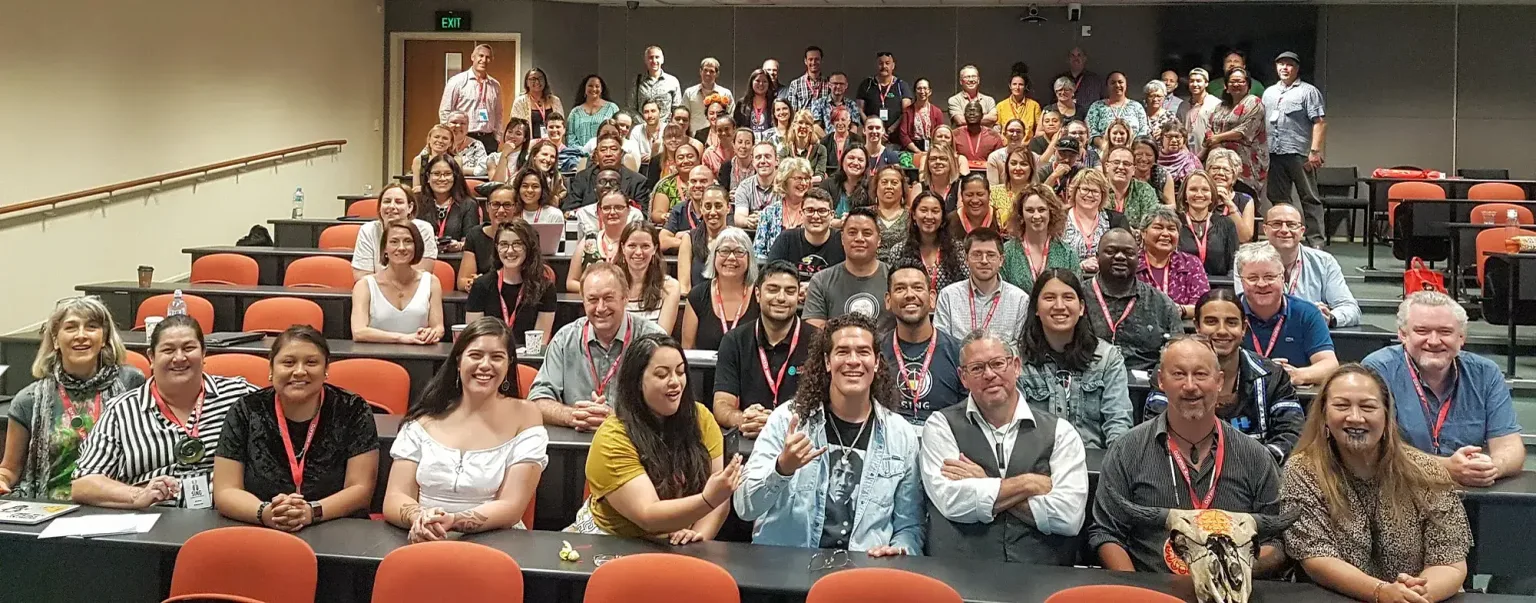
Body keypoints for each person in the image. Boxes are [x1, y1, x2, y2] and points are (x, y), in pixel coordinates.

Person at [1090, 337, 1285, 575]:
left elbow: (1275, 541)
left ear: (1219, 381)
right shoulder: (1127, 450)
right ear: (1161, 380)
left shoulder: (1255, 457)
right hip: (1152, 592)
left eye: (1201, 374)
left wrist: (1233, 572)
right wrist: (1135, 591)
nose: (1190, 385)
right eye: (1179, 374)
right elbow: (1106, 532)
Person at [733, 313, 923, 556]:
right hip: (789, 572)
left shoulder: (901, 435)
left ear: (876, 362)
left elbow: (910, 525)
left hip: (864, 575)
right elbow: (744, 507)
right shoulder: (787, 420)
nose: (853, 361)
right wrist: (782, 469)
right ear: (826, 361)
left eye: (863, 352)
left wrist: (900, 550)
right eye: (842, 352)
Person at [1282, 365, 1471, 603]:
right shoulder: (1302, 470)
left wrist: (1413, 596)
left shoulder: (1428, 472)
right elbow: (1315, 557)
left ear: (1387, 415)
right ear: (1324, 416)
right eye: (1341, 406)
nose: (1355, 417)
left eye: (1368, 407)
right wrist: (1381, 592)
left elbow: (1450, 562)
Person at [921, 330, 1089, 564]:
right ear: (963, 377)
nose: (989, 374)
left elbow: (1068, 517)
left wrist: (982, 482)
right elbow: (952, 502)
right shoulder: (940, 426)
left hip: (1042, 578)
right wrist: (1028, 483)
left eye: (998, 363)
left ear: (1016, 366)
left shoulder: (1062, 432)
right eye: (977, 368)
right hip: (960, 574)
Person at [566, 333, 742, 542]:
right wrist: (707, 500)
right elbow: (648, 515)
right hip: (611, 541)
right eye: (662, 375)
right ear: (637, 381)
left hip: (677, 539)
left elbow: (720, 495)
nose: (675, 382)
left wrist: (696, 537)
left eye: (680, 371)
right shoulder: (613, 437)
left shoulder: (700, 417)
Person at [72, 314, 258, 509]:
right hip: (153, 521)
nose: (179, 358)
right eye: (168, 350)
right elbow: (83, 484)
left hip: (227, 518)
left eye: (188, 348)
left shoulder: (240, 396)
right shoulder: (121, 412)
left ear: (204, 354)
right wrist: (137, 495)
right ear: (151, 357)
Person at [384, 318, 546, 542]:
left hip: (496, 542)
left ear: (509, 364)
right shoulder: (426, 416)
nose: (485, 365)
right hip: (422, 537)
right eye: (476, 355)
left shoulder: (526, 415)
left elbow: (512, 506)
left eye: (496, 357)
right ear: (459, 361)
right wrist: (421, 518)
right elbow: (394, 496)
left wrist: (452, 521)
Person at [214, 326, 379, 529]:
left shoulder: (352, 409)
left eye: (311, 362)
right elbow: (225, 490)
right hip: (260, 528)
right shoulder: (247, 410)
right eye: (288, 363)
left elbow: (360, 489)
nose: (300, 372)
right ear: (271, 369)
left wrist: (310, 512)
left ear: (326, 369)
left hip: (336, 528)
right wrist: (266, 513)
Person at [1363, 291, 1525, 487]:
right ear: (1403, 335)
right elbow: (1372, 449)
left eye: (1445, 332)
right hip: (1395, 489)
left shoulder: (1486, 373)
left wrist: (1491, 467)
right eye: (1422, 331)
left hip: (1467, 494)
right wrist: (1447, 467)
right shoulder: (1377, 371)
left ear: (1461, 337)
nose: (1433, 341)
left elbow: (1510, 446)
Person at [0, 297, 143, 500]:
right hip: (50, 506)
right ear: (56, 340)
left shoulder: (131, 384)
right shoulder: (29, 400)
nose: (81, 335)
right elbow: (9, 470)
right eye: (71, 327)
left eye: (91, 327)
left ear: (104, 338)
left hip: (118, 503)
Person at [1146, 290, 1303, 463]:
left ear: (1243, 328)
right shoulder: (1170, 373)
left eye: (1231, 322)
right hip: (1186, 474)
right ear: (1197, 326)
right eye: (1211, 322)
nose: (1222, 331)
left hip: (1255, 477)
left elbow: (1291, 434)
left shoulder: (1272, 376)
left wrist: (1253, 468)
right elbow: (1156, 433)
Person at [530, 263, 667, 429]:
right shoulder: (564, 340)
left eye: (608, 298)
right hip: (575, 444)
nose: (601, 308)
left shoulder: (653, 340)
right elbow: (537, 401)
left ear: (625, 298)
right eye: (593, 300)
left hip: (635, 445)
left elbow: (668, 403)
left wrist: (618, 419)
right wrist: (573, 415)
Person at [1017, 269, 1133, 448]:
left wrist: (1115, 466)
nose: (1059, 306)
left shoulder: (1107, 358)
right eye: (1049, 298)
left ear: (1081, 308)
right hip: (1036, 465)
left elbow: (1118, 422)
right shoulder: (1016, 360)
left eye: (1068, 298)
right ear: (1036, 309)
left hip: (1093, 465)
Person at [713, 261, 821, 435]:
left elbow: (828, 404)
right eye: (772, 289)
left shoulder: (818, 341)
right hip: (750, 439)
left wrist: (776, 424)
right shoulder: (734, 340)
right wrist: (743, 420)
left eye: (790, 291)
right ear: (757, 294)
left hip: (802, 437)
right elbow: (721, 404)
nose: (781, 297)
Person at [1235, 242, 1338, 386]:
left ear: (1283, 278)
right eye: (1252, 278)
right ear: (1241, 281)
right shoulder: (1228, 312)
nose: (1262, 284)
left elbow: (1329, 365)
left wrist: (1296, 375)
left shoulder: (1307, 313)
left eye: (1270, 276)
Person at [1082, 228, 1183, 371]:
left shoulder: (1161, 303)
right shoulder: (1078, 297)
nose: (1120, 257)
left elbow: (1177, 352)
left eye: (1129, 253)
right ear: (1097, 257)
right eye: (1111, 251)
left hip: (1146, 385)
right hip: (1089, 378)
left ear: (1138, 258)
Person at [1248, 204, 1360, 327]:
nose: (1284, 230)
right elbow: (1246, 305)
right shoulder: (1248, 260)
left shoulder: (1324, 262)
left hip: (1309, 337)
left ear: (1302, 231)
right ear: (1265, 229)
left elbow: (1351, 308)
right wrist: (1307, 312)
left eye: (1291, 225)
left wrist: (1330, 317)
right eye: (1276, 224)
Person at [883, 260, 967, 423]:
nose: (909, 295)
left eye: (918, 287)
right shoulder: (875, 351)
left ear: (932, 297)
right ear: (888, 300)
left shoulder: (959, 352)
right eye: (900, 288)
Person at [1263, 51, 1328, 246]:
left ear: (1297, 68)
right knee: (1278, 197)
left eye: (1289, 64)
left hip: (1299, 154)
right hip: (1274, 153)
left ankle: (1316, 241)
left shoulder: (1308, 91)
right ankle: (1284, 238)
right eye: (1281, 64)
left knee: (1309, 198)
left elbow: (1320, 122)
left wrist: (1315, 151)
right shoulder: (1269, 93)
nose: (1284, 68)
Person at [465, 221, 558, 348]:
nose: (510, 251)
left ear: (529, 247)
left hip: (528, 360)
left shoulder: (545, 288)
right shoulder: (481, 286)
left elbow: (539, 344)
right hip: (491, 358)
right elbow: (475, 338)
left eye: (517, 244)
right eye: (503, 244)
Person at [350, 222, 445, 345]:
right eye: (394, 242)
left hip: (420, 355)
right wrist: (403, 338)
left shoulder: (431, 282)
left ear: (416, 246)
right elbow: (359, 332)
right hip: (376, 358)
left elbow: (438, 328)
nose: (401, 247)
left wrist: (431, 334)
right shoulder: (364, 285)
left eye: (408, 241)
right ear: (384, 248)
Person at [935, 228, 1029, 343]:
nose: (984, 261)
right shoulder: (948, 296)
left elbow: (1020, 347)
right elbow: (942, 343)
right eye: (977, 254)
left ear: (1001, 260)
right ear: (966, 259)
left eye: (990, 255)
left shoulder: (1019, 300)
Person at [804, 207, 888, 327]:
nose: (859, 239)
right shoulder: (821, 281)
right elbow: (815, 334)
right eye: (852, 233)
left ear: (879, 240)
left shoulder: (894, 278)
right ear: (842, 238)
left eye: (867, 233)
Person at [683, 228, 759, 350]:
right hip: (706, 369)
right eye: (724, 251)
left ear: (749, 259)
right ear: (714, 257)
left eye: (739, 251)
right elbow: (688, 349)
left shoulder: (759, 295)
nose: (731, 257)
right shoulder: (697, 296)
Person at [1001, 185, 1081, 293]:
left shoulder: (1068, 254)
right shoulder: (1007, 252)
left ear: (1051, 212)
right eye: (1030, 210)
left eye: (1041, 210)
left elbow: (1076, 294)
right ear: (1021, 214)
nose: (1036, 216)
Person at [1207, 67, 1269, 203]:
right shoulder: (1220, 106)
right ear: (1226, 86)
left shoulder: (1254, 102)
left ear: (1248, 86)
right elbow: (1210, 127)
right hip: (1218, 162)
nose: (1236, 85)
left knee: (1243, 202)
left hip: (1245, 164)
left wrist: (1218, 138)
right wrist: (1212, 143)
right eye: (1232, 82)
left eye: (1240, 82)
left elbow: (1244, 131)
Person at [352, 183, 438, 281]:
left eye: (399, 202)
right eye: (387, 201)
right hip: (376, 293)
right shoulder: (368, 230)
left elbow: (420, 276)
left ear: (410, 207)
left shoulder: (424, 229)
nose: (392, 206)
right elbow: (362, 276)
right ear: (380, 207)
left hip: (413, 291)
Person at [1137, 206, 1210, 315]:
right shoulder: (1132, 263)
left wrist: (1181, 310)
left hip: (1181, 328)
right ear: (1143, 233)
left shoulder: (1190, 263)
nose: (1166, 234)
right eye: (1158, 227)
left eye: (1171, 229)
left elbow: (1204, 306)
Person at [891, 191, 968, 293]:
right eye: (923, 210)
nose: (929, 216)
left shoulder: (958, 250)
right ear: (914, 214)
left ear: (942, 217)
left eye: (935, 211)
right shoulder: (898, 251)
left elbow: (967, 285)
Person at [570, 189, 646, 292]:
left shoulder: (638, 243)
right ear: (599, 212)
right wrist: (600, 291)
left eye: (619, 207)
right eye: (606, 208)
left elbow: (647, 282)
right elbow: (571, 282)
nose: (612, 212)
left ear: (628, 211)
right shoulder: (588, 240)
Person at [457, 183, 525, 291]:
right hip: (485, 296)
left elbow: (531, 276)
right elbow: (462, 281)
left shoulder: (526, 235)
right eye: (495, 204)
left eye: (507, 205)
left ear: (515, 207)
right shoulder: (475, 235)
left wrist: (485, 281)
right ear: (487, 207)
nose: (501, 210)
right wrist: (471, 283)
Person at [766, 188, 844, 283]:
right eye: (810, 210)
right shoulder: (786, 238)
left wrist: (813, 289)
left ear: (832, 215)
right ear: (801, 214)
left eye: (822, 211)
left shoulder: (843, 240)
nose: (816, 216)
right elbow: (770, 275)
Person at [438, 44, 503, 151]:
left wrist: (497, 138)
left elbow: (498, 113)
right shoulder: (457, 81)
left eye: (487, 57)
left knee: (488, 168)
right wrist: (449, 136)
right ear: (473, 57)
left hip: (488, 139)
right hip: (464, 136)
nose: (484, 60)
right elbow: (445, 111)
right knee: (462, 167)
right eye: (480, 56)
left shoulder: (495, 85)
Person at [1062, 170, 1130, 271]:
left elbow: (1126, 256)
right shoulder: (1059, 218)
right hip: (1068, 280)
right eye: (1085, 189)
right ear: (1075, 191)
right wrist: (1078, 266)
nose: (1089, 195)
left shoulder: (1117, 220)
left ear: (1103, 195)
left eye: (1095, 191)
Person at [1177, 170, 1240, 276]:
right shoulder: (1175, 223)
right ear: (1185, 195)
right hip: (1183, 286)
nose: (1199, 194)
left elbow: (1233, 265)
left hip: (1219, 288)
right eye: (1193, 189)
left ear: (1212, 195)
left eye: (1205, 190)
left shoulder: (1226, 224)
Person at [566, 134, 651, 211]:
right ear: (596, 155)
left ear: (621, 153)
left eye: (614, 149)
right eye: (603, 150)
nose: (608, 154)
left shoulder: (638, 181)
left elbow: (643, 214)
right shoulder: (582, 178)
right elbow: (569, 210)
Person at [674, 179, 731, 289]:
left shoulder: (738, 239)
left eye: (718, 206)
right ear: (701, 208)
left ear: (728, 208)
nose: (713, 212)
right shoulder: (689, 239)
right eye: (708, 206)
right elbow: (684, 286)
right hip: (697, 303)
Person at [752, 157, 814, 259]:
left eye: (806, 178)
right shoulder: (769, 213)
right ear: (785, 181)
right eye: (798, 178)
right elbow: (758, 253)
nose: (803, 183)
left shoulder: (814, 212)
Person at [417, 155, 478, 252]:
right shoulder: (417, 203)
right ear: (428, 177)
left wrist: (459, 245)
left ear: (455, 177)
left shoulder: (468, 204)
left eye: (447, 174)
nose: (442, 178)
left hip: (455, 260)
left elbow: (470, 242)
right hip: (422, 259)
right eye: (436, 174)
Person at [1103, 146, 1161, 229]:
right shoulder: (1097, 188)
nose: (1121, 167)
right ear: (1107, 166)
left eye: (1126, 164)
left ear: (1134, 169)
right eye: (1116, 162)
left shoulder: (1144, 190)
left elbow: (1150, 223)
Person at [1087, 72, 1150, 145]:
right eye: (1113, 83)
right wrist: (1107, 149)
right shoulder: (1096, 106)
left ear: (1126, 85)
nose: (1117, 85)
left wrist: (1129, 149)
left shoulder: (1137, 107)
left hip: (1132, 151)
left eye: (1120, 82)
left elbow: (1143, 132)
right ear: (1107, 86)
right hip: (1102, 152)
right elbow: (1092, 132)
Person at [649, 141, 703, 224]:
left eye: (690, 156)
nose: (685, 161)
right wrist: (665, 216)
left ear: (698, 160)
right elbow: (657, 213)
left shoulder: (709, 182)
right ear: (675, 163)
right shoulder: (666, 185)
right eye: (681, 158)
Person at [733, 142, 782, 232]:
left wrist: (765, 218)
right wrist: (748, 221)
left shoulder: (785, 185)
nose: (763, 161)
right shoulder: (745, 187)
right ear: (753, 161)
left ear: (777, 161)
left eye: (767, 156)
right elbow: (739, 217)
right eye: (758, 157)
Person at [856, 51, 913, 131]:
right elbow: (859, 109)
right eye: (880, 63)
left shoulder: (902, 85)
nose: (884, 66)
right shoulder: (866, 84)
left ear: (893, 65)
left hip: (896, 135)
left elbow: (906, 112)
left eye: (887, 63)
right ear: (876, 65)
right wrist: (872, 127)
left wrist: (891, 129)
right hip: (872, 133)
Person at [987, 124, 1034, 210]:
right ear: (1007, 167)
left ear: (1031, 168)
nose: (1018, 168)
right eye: (1013, 163)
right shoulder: (994, 193)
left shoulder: (1041, 192)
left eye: (1023, 164)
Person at [567, 75, 620, 149]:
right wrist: (584, 151)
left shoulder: (612, 108)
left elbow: (618, 133)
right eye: (590, 86)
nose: (594, 89)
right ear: (584, 88)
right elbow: (570, 137)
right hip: (579, 156)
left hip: (605, 153)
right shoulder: (575, 112)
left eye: (597, 86)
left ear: (601, 89)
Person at [511, 68, 564, 141]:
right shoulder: (520, 102)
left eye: (540, 78)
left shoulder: (555, 101)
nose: (537, 82)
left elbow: (561, 124)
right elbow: (516, 128)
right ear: (527, 83)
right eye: (533, 79)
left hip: (552, 144)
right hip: (529, 146)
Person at [684, 57, 734, 133]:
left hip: (719, 137)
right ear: (700, 71)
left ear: (717, 74)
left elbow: (731, 118)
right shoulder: (689, 93)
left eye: (711, 71)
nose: (708, 73)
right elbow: (684, 117)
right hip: (695, 138)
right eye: (705, 70)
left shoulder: (726, 94)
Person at [1183, 67, 1224, 160]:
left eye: (1198, 81)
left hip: (1210, 154)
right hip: (1188, 156)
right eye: (1192, 81)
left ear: (1206, 83)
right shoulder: (1184, 105)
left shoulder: (1215, 104)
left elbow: (1216, 132)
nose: (1195, 84)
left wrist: (1202, 154)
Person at [629, 46, 682, 115]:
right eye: (650, 57)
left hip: (666, 125)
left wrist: (667, 125)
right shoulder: (637, 81)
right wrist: (643, 124)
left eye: (657, 57)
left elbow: (677, 108)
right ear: (645, 60)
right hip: (643, 124)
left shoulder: (672, 81)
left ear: (662, 60)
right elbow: (631, 108)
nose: (654, 61)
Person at [870, 166, 909, 261]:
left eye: (894, 183)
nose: (889, 186)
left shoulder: (912, 216)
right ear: (876, 186)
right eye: (884, 182)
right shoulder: (864, 215)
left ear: (902, 188)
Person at [896, 78, 945, 153]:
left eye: (925, 88)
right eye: (919, 89)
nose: (922, 92)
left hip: (932, 148)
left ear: (930, 91)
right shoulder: (907, 111)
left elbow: (940, 133)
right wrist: (918, 151)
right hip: (912, 149)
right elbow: (903, 135)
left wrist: (932, 150)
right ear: (915, 92)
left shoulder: (937, 112)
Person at [819, 146, 869, 219]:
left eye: (860, 160)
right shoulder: (828, 184)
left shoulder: (871, 187)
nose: (855, 162)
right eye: (851, 158)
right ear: (842, 161)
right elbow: (820, 214)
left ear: (866, 165)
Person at [953, 103, 1004, 173]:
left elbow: (1000, 161)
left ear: (982, 116)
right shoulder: (954, 134)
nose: (972, 113)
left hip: (987, 176)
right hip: (961, 175)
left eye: (975, 111)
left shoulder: (993, 135)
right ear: (964, 116)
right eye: (969, 111)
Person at [779, 110, 828, 180]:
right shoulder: (784, 150)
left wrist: (804, 181)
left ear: (811, 128)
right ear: (793, 126)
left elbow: (820, 176)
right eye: (800, 122)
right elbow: (782, 176)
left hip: (813, 187)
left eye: (807, 124)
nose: (803, 126)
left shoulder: (820, 149)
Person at [441, 111, 490, 176]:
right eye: (454, 122)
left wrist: (454, 170)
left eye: (463, 123)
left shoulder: (477, 145)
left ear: (467, 128)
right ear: (446, 125)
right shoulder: (437, 143)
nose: (458, 126)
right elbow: (426, 164)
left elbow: (483, 169)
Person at [948, 174, 996, 240]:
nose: (975, 200)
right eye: (969, 195)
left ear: (989, 194)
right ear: (961, 196)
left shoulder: (1000, 219)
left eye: (980, 194)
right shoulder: (949, 221)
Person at [1131, 136, 1176, 206]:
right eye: (1139, 154)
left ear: (1155, 158)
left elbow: (1172, 206)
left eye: (1149, 155)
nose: (1144, 159)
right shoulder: (1126, 173)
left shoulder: (1163, 175)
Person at [782, 46, 829, 112]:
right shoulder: (795, 84)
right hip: (803, 121)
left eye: (817, 59)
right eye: (810, 59)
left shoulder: (829, 84)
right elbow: (792, 111)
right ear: (805, 61)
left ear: (822, 61)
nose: (813, 62)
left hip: (823, 122)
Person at [409, 124, 455, 191]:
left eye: (445, 138)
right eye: (436, 137)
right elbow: (416, 189)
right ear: (429, 139)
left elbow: (457, 187)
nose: (440, 141)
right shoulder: (418, 160)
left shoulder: (456, 160)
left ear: (450, 143)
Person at [917, 142, 961, 212]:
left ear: (951, 162)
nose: (937, 162)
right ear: (927, 163)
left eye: (943, 158)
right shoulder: (918, 188)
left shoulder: (960, 186)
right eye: (933, 159)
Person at [996, 73, 1041, 140]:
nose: (1017, 87)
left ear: (1025, 86)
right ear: (1010, 86)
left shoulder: (1034, 106)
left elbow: (1039, 130)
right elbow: (997, 129)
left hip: (1027, 146)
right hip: (1006, 145)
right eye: (1014, 84)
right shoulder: (1001, 106)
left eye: (1021, 84)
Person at [733, 69, 777, 138]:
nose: (761, 84)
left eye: (764, 81)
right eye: (757, 81)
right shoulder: (742, 103)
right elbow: (736, 126)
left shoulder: (774, 103)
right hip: (748, 143)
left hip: (769, 143)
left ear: (769, 84)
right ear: (751, 82)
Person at [821, 106, 862, 177]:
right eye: (837, 120)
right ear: (833, 122)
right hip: (830, 179)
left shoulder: (857, 140)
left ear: (849, 122)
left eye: (843, 120)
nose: (840, 123)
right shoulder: (825, 141)